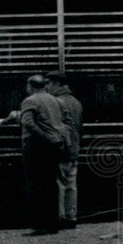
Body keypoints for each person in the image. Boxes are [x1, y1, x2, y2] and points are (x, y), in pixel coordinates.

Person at [16, 74, 69, 235]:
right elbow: (66, 122)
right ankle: (53, 225)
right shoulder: (56, 100)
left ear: (30, 86)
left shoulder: (30, 101)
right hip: (54, 146)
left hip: (35, 147)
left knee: (35, 185)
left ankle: (39, 225)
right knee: (51, 185)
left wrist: (44, 136)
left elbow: (28, 122)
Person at [45, 71, 84, 229]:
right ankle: (71, 216)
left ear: (56, 83)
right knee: (71, 184)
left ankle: (59, 217)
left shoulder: (55, 102)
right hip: (74, 148)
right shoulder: (76, 102)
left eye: (49, 83)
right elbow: (80, 127)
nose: (47, 87)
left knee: (58, 184)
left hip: (60, 149)